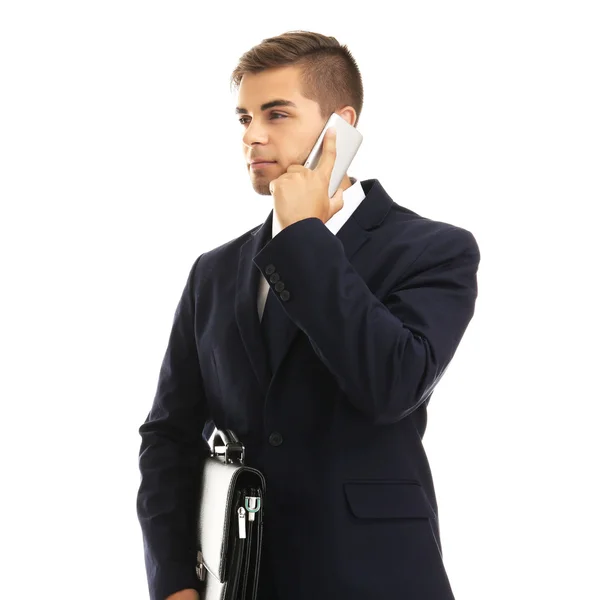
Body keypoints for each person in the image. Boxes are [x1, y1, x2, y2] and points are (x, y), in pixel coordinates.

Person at [136, 30, 481, 600]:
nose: (253, 137)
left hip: (375, 576)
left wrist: (303, 236)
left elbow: (392, 383)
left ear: (339, 128)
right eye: (243, 118)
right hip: (239, 578)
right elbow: (168, 436)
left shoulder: (433, 249)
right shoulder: (214, 271)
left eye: (276, 114)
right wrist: (173, 581)